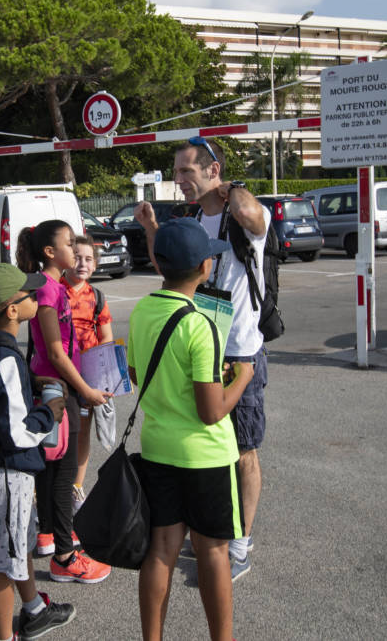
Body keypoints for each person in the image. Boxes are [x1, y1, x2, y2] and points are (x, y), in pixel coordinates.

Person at [136, 137, 271, 580]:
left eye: (186, 171)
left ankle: (239, 544)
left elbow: (252, 216)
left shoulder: (243, 213)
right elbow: (170, 267)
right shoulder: (192, 219)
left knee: (243, 449)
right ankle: (214, 532)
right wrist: (152, 228)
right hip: (197, 339)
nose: (179, 180)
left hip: (238, 349)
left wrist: (233, 187)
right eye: (176, 172)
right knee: (209, 444)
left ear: (213, 170)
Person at [130, 219, 252, 641]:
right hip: (206, 456)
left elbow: (136, 372)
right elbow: (211, 411)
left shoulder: (142, 310)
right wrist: (241, 377)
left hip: (157, 449)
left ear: (158, 263)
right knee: (213, 551)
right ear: (205, 267)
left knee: (161, 549)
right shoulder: (201, 324)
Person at [0, 263, 76, 641]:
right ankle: (3, 636)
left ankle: (34, 609)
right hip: (7, 470)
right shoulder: (5, 357)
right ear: (13, 310)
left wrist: (32, 380)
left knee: (19, 545)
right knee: (5, 561)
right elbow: (16, 432)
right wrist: (50, 414)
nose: (36, 297)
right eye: (30, 294)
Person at [16, 220, 111, 585]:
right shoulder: (47, 289)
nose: (76, 249)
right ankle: (65, 557)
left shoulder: (51, 286)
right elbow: (55, 352)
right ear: (50, 252)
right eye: (70, 243)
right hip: (57, 388)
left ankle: (48, 534)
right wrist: (86, 390)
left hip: (57, 386)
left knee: (51, 467)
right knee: (63, 471)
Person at [61, 235, 113, 510]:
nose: (83, 263)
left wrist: (104, 373)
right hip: (59, 373)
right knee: (57, 434)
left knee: (82, 433)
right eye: (77, 257)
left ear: (95, 265)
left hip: (89, 377)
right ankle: (47, 488)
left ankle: (76, 487)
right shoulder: (56, 290)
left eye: (89, 259)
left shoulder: (97, 297)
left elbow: (106, 337)